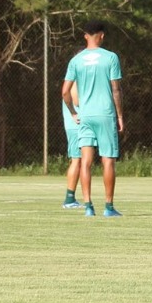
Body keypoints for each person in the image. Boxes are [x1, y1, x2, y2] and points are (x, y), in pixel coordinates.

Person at [62, 21, 125, 218]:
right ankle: (108, 207)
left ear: (85, 36)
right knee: (108, 161)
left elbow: (64, 92)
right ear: (102, 36)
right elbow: (116, 89)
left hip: (86, 115)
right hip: (105, 114)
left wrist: (73, 112)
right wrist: (120, 115)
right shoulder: (111, 57)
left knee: (85, 162)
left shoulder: (76, 60)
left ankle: (88, 206)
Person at [61, 104, 86, 209]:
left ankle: (71, 198)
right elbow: (76, 101)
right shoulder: (74, 86)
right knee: (77, 160)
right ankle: (69, 199)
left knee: (78, 160)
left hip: (78, 124)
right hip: (76, 125)